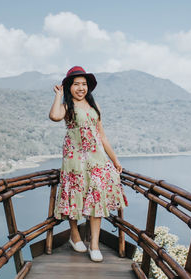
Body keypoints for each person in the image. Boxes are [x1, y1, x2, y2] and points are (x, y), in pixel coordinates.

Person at [49, 66, 128, 262]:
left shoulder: (94, 106)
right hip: (74, 160)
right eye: (76, 84)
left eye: (84, 84)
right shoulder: (68, 105)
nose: (81, 88)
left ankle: (94, 244)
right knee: (73, 197)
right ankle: (74, 234)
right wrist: (59, 96)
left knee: (95, 201)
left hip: (96, 160)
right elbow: (54, 116)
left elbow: (102, 136)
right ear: (69, 86)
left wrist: (115, 160)